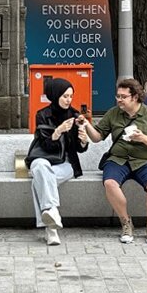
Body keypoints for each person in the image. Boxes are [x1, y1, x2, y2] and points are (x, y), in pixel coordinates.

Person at [80, 77, 147, 245]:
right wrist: (86, 124)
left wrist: (143, 138)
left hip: (145, 160)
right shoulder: (113, 113)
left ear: (134, 97)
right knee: (110, 183)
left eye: (123, 96)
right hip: (118, 159)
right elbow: (98, 137)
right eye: (118, 96)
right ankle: (126, 223)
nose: (119, 100)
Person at [25, 77, 88, 245]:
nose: (68, 100)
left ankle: (51, 226)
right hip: (45, 159)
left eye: (70, 96)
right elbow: (46, 145)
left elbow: (79, 149)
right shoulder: (42, 115)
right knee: (39, 166)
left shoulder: (75, 116)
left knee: (39, 179)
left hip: (66, 164)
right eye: (65, 96)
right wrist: (58, 131)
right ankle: (52, 217)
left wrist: (83, 140)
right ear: (55, 95)